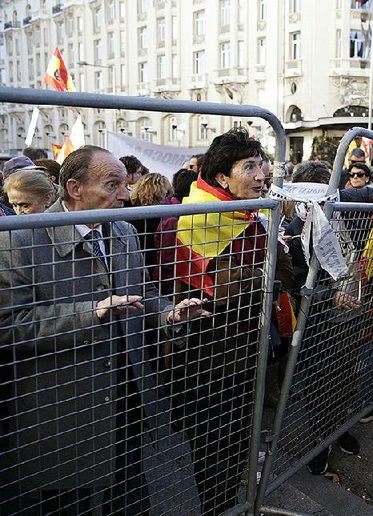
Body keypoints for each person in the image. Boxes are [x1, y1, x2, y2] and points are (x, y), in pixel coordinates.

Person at [0, 145, 208, 514]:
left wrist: (170, 315)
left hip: (127, 398)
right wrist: (91, 312)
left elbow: (145, 294)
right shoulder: (17, 239)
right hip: (65, 408)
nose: (125, 194)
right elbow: (10, 325)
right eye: (113, 185)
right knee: (67, 503)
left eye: (124, 184)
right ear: (74, 188)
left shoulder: (124, 230)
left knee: (130, 498)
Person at [166, 128, 293, 515]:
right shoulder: (188, 220)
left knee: (239, 443)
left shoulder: (251, 216)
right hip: (204, 362)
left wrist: (257, 275)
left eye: (262, 165)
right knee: (212, 452)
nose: (261, 175)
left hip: (247, 354)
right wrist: (262, 276)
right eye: (249, 166)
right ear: (222, 177)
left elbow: (286, 272)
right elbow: (225, 290)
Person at [282, 160, 373, 475]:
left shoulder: (349, 209)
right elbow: (295, 280)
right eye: (309, 197)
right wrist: (330, 296)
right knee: (318, 386)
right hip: (316, 322)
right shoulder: (293, 231)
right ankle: (319, 443)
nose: (318, 204)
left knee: (345, 380)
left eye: (325, 195)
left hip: (354, 313)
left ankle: (339, 429)